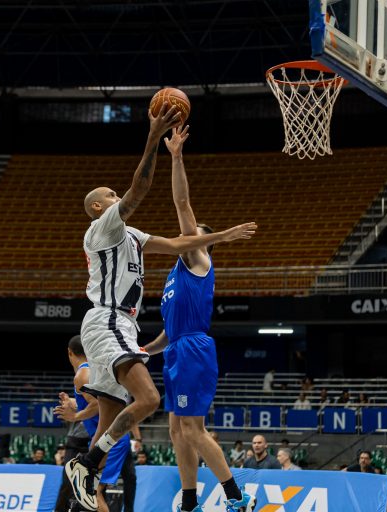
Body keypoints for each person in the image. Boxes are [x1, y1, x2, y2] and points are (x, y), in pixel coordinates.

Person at [65, 103, 257, 512]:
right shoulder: (104, 226)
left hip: (150, 335)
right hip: (113, 321)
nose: (117, 197)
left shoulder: (170, 252)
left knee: (144, 416)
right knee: (161, 414)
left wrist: (222, 235)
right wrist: (156, 139)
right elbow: (145, 195)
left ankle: (93, 469)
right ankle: (89, 463)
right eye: (110, 196)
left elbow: (179, 238)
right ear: (99, 208)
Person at [139, 125, 255, 512]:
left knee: (192, 428)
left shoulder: (197, 257)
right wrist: (146, 349)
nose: (188, 233)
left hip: (193, 348)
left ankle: (236, 497)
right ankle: (190, 500)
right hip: (176, 347)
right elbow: (168, 332)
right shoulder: (174, 272)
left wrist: (176, 156)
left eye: (195, 233)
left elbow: (183, 204)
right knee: (175, 429)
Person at [55, 335, 134, 512]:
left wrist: (74, 417)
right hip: (111, 438)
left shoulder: (83, 374)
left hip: (109, 441)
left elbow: (97, 405)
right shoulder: (93, 370)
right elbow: (97, 402)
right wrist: (74, 404)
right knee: (91, 492)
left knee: (94, 492)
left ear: (69, 352)